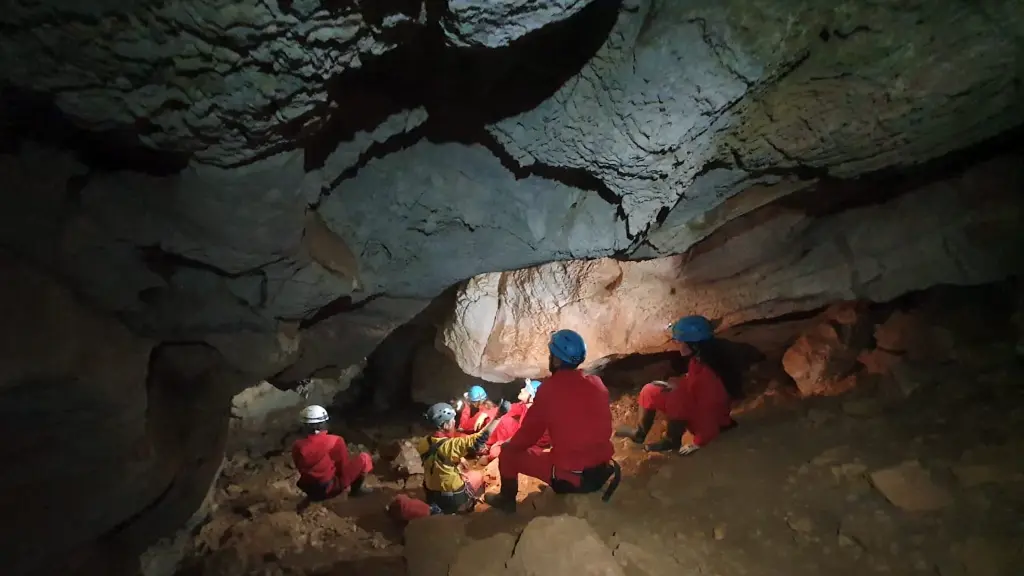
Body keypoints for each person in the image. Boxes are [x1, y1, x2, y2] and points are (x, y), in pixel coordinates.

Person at [485, 329, 621, 513]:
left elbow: (527, 436)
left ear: (556, 359)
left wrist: (509, 445)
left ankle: (507, 500)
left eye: (551, 354)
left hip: (573, 479)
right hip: (602, 470)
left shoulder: (549, 390)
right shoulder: (596, 383)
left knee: (509, 453)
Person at [615, 315, 737, 455]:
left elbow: (709, 415)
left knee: (676, 399)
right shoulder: (698, 360)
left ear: (694, 345)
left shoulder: (709, 376)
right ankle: (640, 433)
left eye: (681, 342)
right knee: (650, 390)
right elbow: (693, 380)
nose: (677, 344)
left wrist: (698, 443)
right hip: (695, 402)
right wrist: (677, 382)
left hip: (710, 421)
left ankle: (672, 441)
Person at [387, 400, 510, 523]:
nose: (454, 422)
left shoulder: (423, 442)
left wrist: (459, 458)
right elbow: (480, 439)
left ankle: (436, 507)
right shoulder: (450, 446)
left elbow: (440, 452)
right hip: (451, 497)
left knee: (453, 470)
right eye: (452, 420)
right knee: (477, 475)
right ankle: (456, 508)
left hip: (431, 492)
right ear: (445, 425)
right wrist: (498, 416)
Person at [291, 405, 374, 501]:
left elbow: (300, 467)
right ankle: (356, 491)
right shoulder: (335, 441)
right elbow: (343, 468)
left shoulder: (297, 445)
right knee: (364, 458)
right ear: (321, 424)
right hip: (329, 489)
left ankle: (315, 496)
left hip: (309, 488)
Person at [482, 379, 550, 461]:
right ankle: (488, 445)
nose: (522, 389)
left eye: (526, 389)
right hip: (522, 438)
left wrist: (501, 445)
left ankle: (494, 454)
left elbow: (525, 439)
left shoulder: (538, 417)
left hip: (532, 446)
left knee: (496, 452)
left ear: (532, 397)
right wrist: (487, 413)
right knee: (504, 419)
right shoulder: (524, 406)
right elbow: (507, 409)